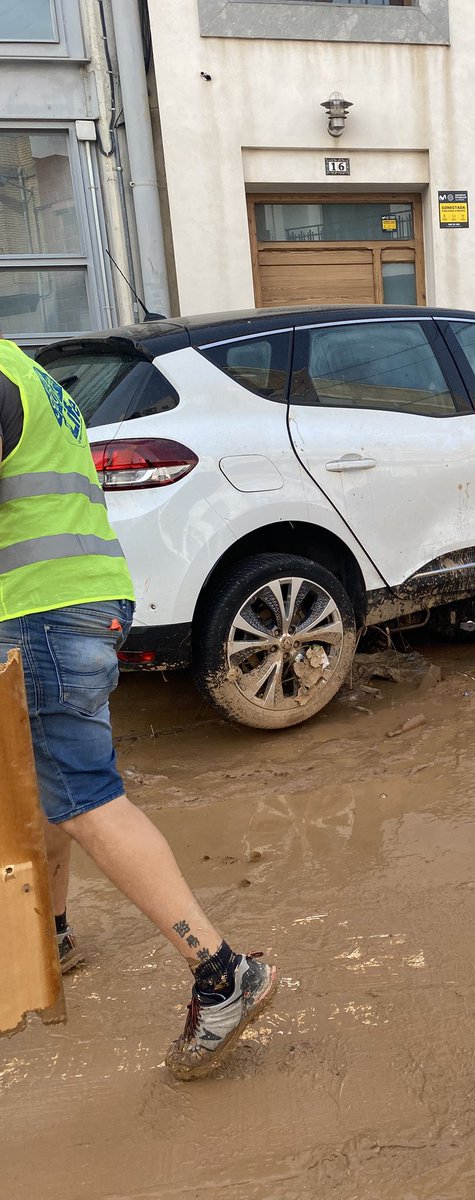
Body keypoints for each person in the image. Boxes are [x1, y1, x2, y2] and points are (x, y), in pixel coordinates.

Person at [0, 335, 277, 1080]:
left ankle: (222, 973)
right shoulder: (21, 366)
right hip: (79, 601)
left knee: (85, 795)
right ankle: (50, 934)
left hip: (37, 614)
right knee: (49, 783)